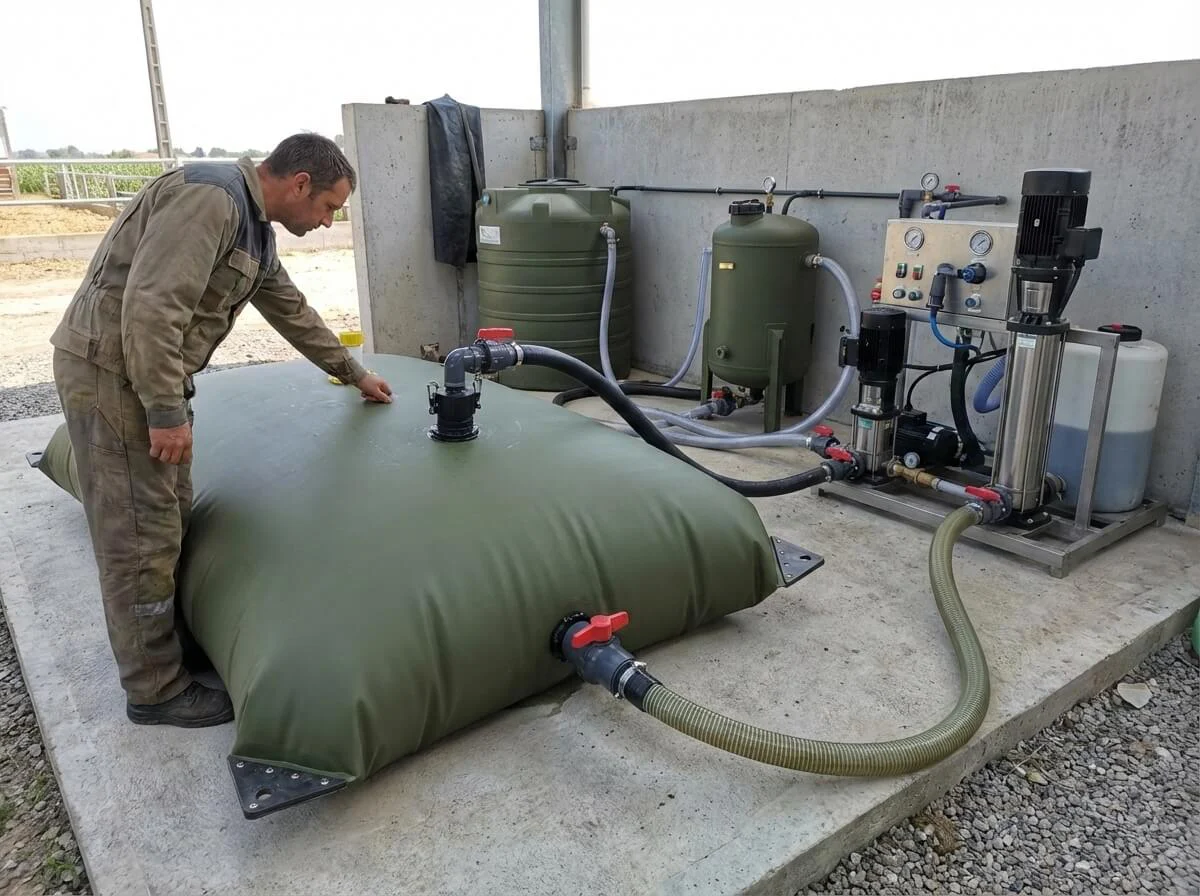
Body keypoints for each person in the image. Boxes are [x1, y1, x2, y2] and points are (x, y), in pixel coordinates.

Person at [49, 133, 392, 728]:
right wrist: (164, 412)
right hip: (115, 375)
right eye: (329, 207)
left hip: (146, 375)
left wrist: (353, 373)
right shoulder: (212, 200)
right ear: (299, 184)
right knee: (139, 531)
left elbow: (290, 309)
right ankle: (154, 689)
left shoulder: (253, 228)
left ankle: (166, 644)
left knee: (169, 513)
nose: (329, 222)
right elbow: (152, 309)